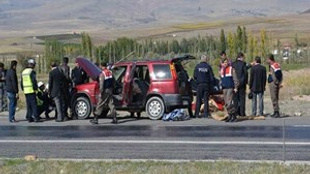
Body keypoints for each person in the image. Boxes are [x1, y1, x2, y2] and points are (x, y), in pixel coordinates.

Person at [221, 58, 239, 122]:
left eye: (226, 62)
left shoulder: (231, 69)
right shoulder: (222, 70)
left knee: (229, 103)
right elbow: (221, 79)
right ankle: (230, 115)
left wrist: (236, 87)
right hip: (224, 88)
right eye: (224, 62)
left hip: (230, 87)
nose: (225, 63)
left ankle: (233, 115)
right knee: (226, 103)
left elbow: (235, 78)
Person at [232, 52, 248, 117]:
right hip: (242, 84)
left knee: (235, 99)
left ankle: (236, 112)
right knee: (242, 99)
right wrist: (246, 82)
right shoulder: (243, 64)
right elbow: (246, 73)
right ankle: (242, 113)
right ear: (241, 57)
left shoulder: (233, 64)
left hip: (234, 84)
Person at [267, 54, 283, 118]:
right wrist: (279, 83)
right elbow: (281, 75)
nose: (266, 60)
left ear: (270, 59)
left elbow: (273, 75)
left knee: (273, 97)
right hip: (278, 83)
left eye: (267, 59)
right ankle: (276, 111)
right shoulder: (277, 65)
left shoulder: (271, 66)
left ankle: (276, 112)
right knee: (276, 97)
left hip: (273, 83)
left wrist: (276, 82)